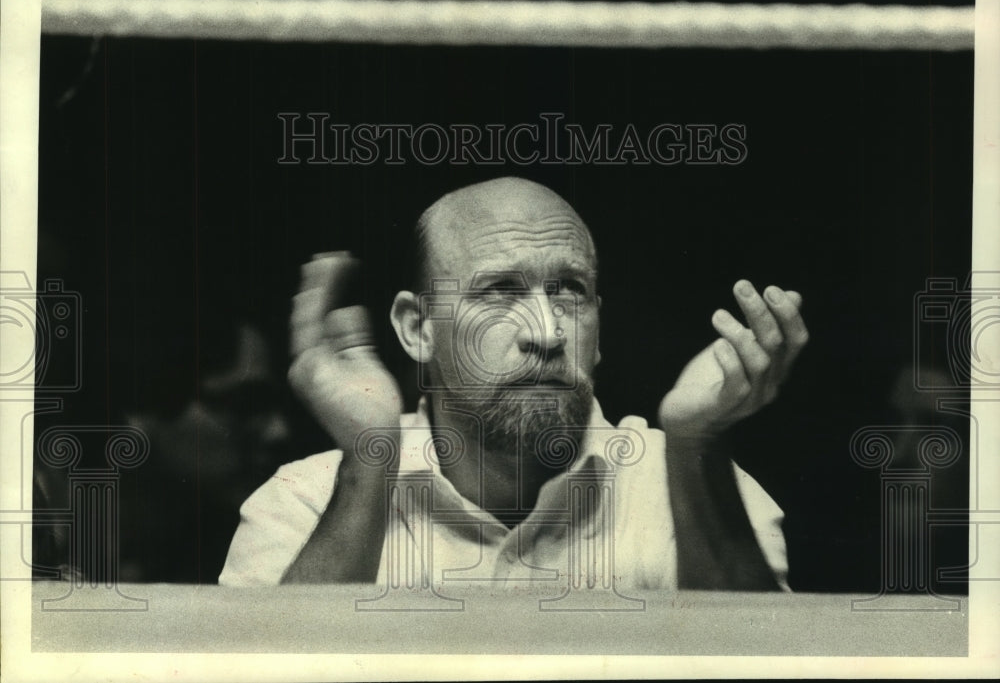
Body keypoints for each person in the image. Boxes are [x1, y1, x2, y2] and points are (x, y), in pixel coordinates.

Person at [219, 177, 809, 591]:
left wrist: (697, 444)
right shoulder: (301, 500)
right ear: (418, 328)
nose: (547, 333)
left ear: (598, 330)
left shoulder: (689, 482)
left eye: (570, 292)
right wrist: (369, 460)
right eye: (499, 292)